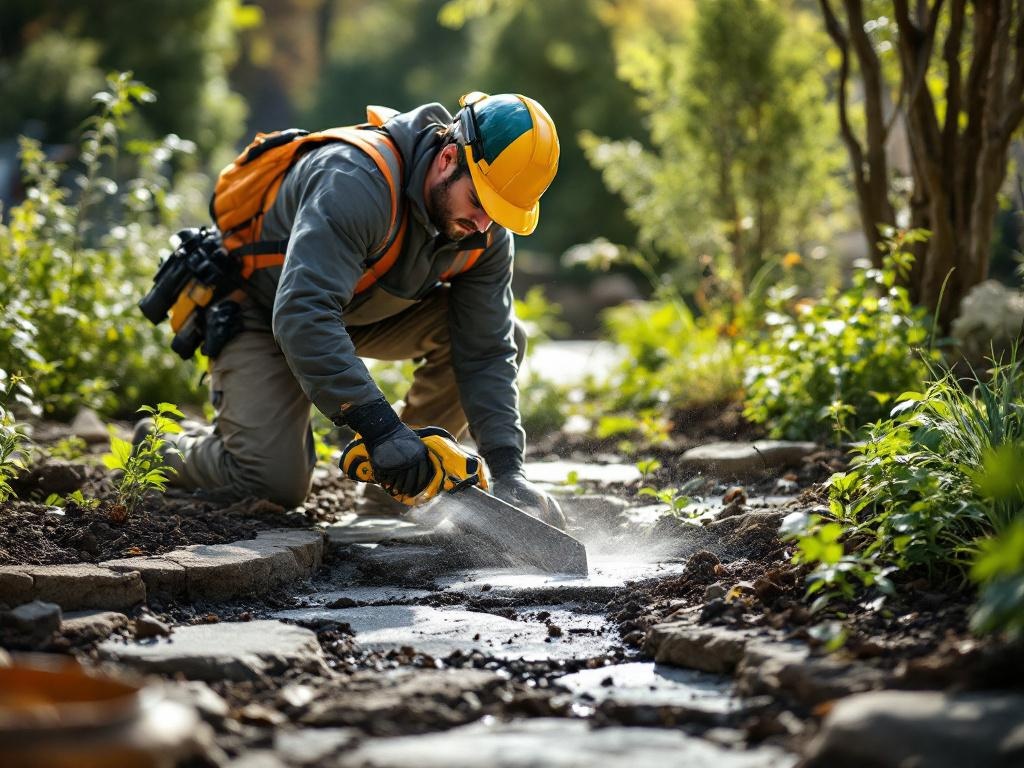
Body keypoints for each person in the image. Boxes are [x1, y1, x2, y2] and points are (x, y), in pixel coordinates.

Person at [150, 91, 565, 528]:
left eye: (500, 214)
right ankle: (163, 447)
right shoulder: (355, 180)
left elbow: (486, 350)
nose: (484, 225)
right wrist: (381, 429)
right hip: (266, 308)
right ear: (447, 159)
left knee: (501, 332)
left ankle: (396, 498)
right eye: (480, 203)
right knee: (272, 482)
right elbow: (303, 315)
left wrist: (508, 469)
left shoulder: (485, 232)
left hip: (357, 313)